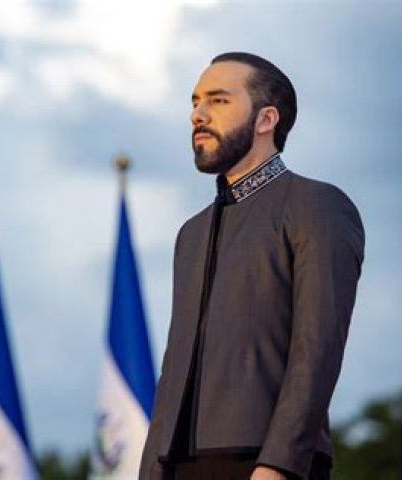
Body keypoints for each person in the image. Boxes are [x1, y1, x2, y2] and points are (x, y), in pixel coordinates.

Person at [139, 52, 365, 480]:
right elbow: (172, 374)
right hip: (178, 466)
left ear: (266, 119)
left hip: (266, 462)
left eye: (219, 100)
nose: (197, 115)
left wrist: (279, 463)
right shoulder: (191, 234)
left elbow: (317, 348)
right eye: (195, 102)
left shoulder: (316, 206)